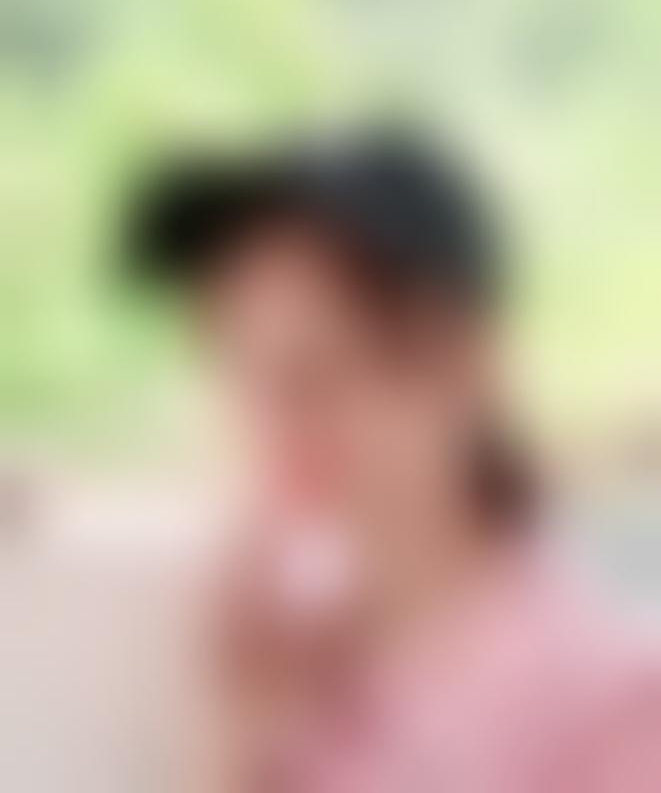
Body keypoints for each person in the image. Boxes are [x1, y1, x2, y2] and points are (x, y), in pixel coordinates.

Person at [133, 130, 661, 792]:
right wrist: (239, 742)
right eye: (245, 375)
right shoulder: (277, 663)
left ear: (461, 363)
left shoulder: (615, 708)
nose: (272, 425)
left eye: (314, 374)